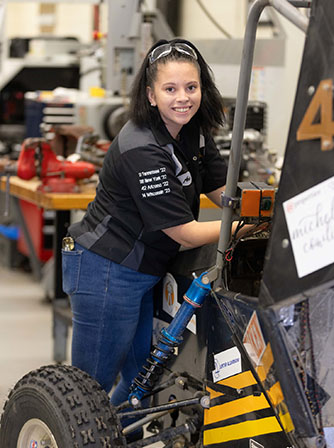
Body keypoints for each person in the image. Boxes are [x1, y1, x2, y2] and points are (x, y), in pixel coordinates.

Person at [61, 38, 250, 412]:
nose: (183, 98)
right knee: (89, 390)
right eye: (170, 89)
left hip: (146, 270)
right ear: (151, 96)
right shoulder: (141, 147)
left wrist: (273, 204)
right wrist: (245, 228)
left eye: (191, 87)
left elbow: (223, 194)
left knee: (142, 381)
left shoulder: (193, 132)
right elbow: (185, 232)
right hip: (106, 269)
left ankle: (115, 440)